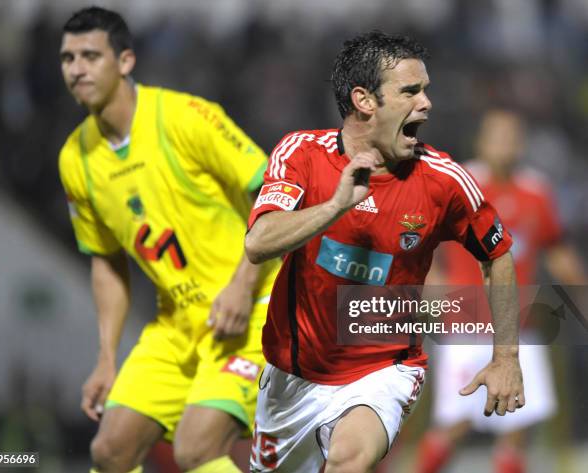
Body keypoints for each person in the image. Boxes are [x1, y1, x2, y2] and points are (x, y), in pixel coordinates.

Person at [244, 31, 525, 473]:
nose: (427, 103)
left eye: (426, 89)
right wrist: (335, 205)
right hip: (292, 377)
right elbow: (259, 243)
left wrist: (505, 356)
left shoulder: (444, 179)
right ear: (364, 101)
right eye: (410, 91)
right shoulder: (301, 153)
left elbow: (498, 254)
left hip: (384, 368)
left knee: (349, 460)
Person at [58, 7, 280, 473]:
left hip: (252, 313)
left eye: (90, 56)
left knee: (196, 449)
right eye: (68, 58)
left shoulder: (186, 117)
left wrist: (242, 284)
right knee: (109, 453)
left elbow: (276, 194)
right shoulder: (75, 160)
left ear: (125, 62)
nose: (77, 68)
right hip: (176, 327)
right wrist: (105, 357)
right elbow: (106, 261)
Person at [417, 109, 587, 473]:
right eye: (497, 136)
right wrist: (430, 280)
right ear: (481, 141)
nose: (505, 144)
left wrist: (581, 291)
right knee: (456, 423)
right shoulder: (460, 184)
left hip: (520, 327)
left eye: (512, 136)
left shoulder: (536, 191)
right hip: (467, 324)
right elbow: (422, 239)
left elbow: (555, 248)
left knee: (517, 426)